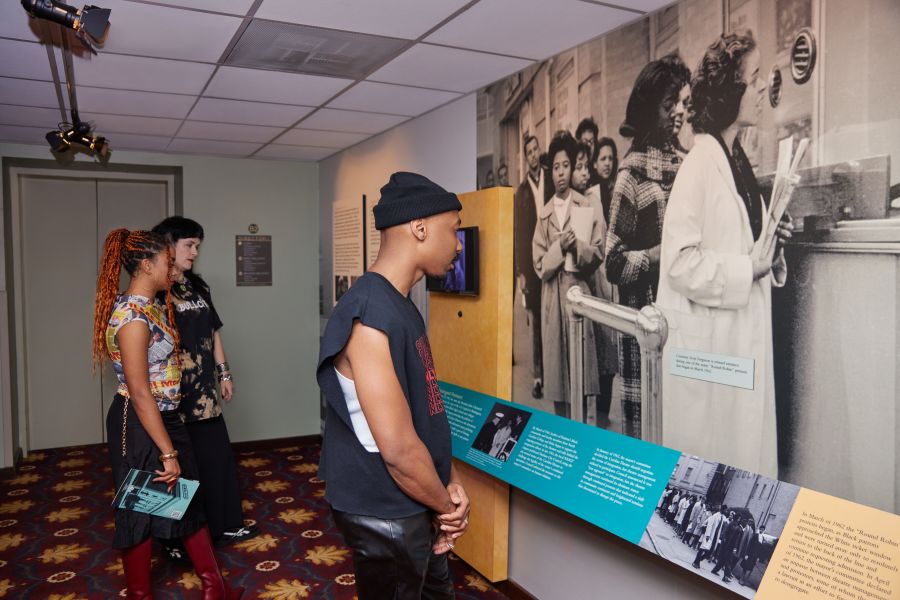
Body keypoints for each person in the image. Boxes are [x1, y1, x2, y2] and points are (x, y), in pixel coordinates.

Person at [317, 172, 470, 599]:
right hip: (386, 508)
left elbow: (425, 414)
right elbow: (399, 450)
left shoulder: (399, 306)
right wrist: (445, 507)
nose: (458, 244)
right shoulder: (368, 313)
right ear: (420, 228)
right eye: (454, 229)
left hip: (415, 499)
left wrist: (448, 485)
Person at [656, 30, 792, 477]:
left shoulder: (735, 159)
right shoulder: (699, 164)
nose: (762, 89)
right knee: (720, 470)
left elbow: (738, 240)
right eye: (753, 78)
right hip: (714, 350)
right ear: (730, 88)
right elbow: (678, 262)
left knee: (744, 460)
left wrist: (768, 242)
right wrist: (746, 267)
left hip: (735, 342)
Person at [92, 229, 242, 599]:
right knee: (140, 509)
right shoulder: (131, 317)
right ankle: (143, 594)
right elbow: (140, 391)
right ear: (146, 264)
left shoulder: (152, 305)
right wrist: (168, 451)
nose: (172, 268)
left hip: (164, 417)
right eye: (167, 261)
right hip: (139, 421)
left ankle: (214, 586)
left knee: (186, 496)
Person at [151, 217, 259, 551]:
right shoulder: (154, 290)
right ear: (168, 245)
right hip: (170, 397)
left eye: (198, 245)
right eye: (189, 245)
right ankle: (175, 540)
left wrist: (224, 373)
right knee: (178, 467)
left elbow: (213, 332)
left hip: (203, 393)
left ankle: (226, 525)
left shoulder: (198, 287)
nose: (195, 252)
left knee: (216, 459)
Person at [604, 52, 691, 439]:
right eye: (668, 104)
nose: (677, 113)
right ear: (647, 108)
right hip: (646, 325)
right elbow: (613, 262)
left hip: (685, 321)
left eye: (681, 103)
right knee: (647, 436)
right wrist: (658, 257)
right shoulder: (631, 177)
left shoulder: (690, 164)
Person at [533, 131, 604, 418]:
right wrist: (558, 249)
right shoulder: (544, 214)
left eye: (567, 166)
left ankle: (583, 432)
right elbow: (539, 264)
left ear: (574, 167)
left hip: (578, 293)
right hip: (553, 299)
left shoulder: (585, 206)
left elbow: (598, 252)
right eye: (557, 167)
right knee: (558, 378)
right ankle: (561, 433)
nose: (561, 173)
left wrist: (578, 245)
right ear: (551, 171)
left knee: (582, 372)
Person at [514, 134, 554, 400]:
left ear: (540, 151)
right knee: (538, 320)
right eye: (528, 151)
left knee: (555, 318)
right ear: (525, 157)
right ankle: (539, 377)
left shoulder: (551, 179)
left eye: (535, 149)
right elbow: (519, 233)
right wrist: (521, 273)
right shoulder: (522, 192)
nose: (533, 155)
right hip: (532, 264)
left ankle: (556, 374)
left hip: (555, 256)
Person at [575, 116, 600, 186]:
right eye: (585, 142)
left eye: (591, 142)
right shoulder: (573, 173)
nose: (589, 146)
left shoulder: (597, 176)